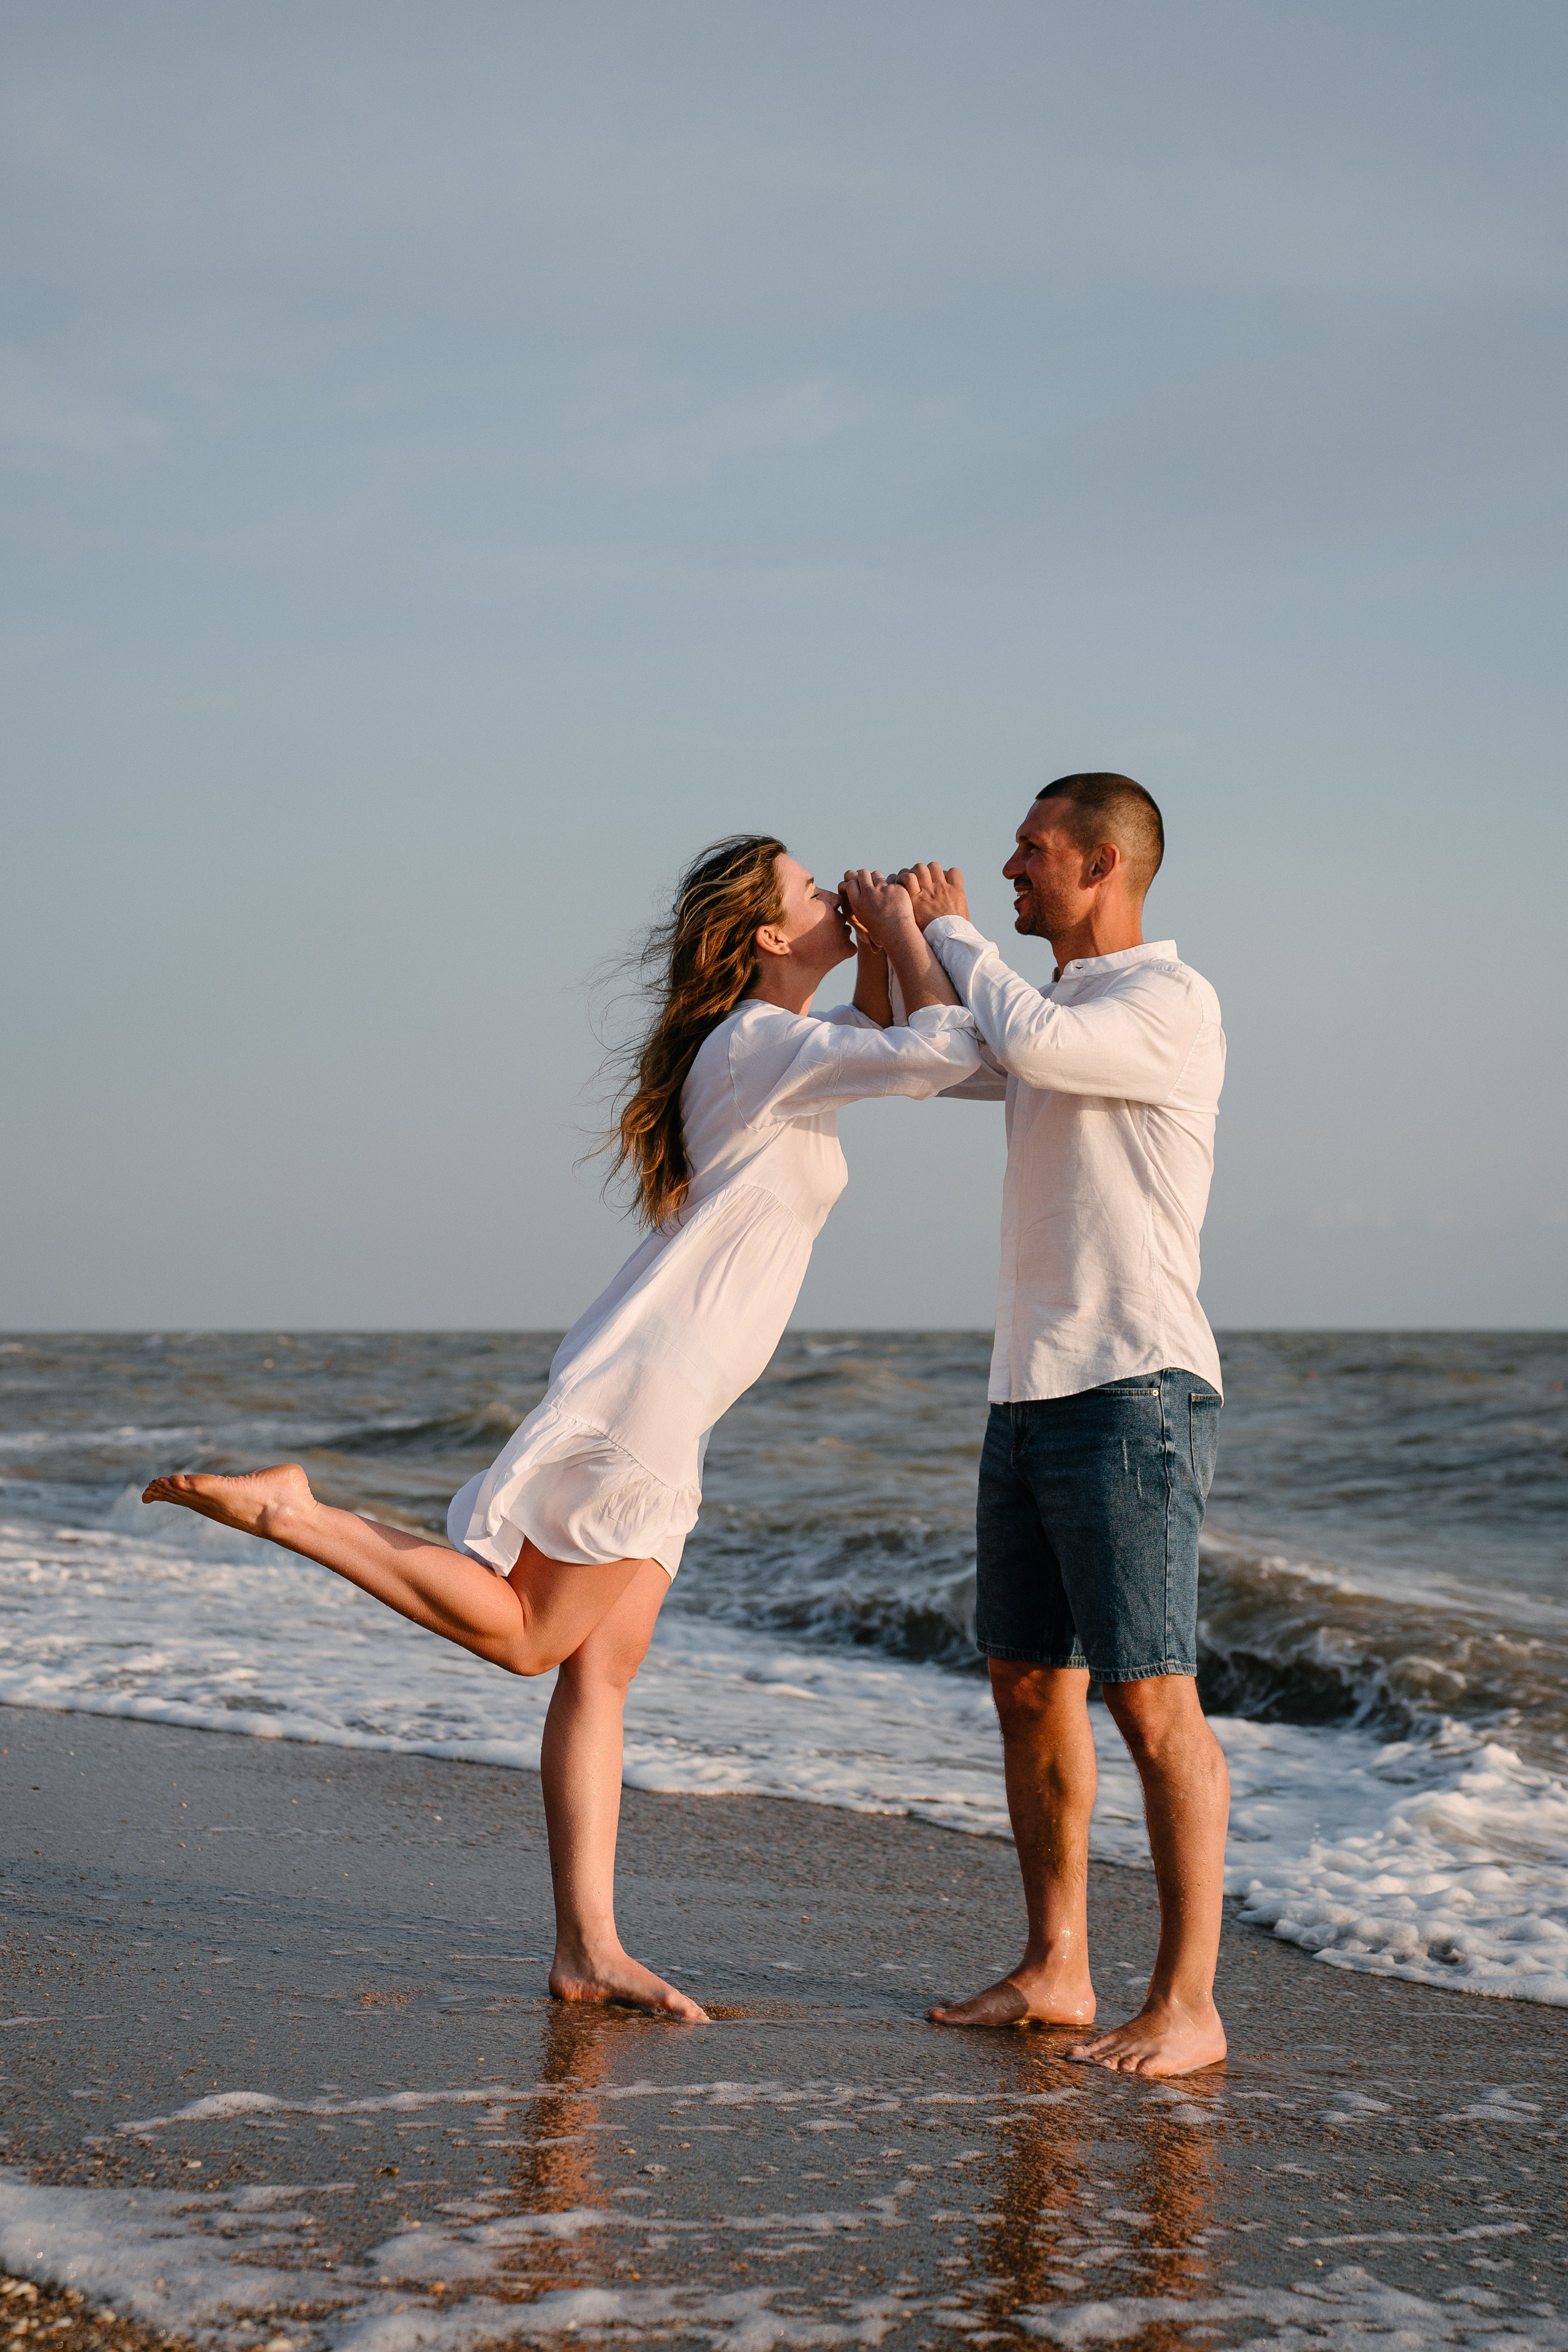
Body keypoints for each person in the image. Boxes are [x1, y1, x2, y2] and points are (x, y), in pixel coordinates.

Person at [143, 835, 980, 2022]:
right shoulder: (757, 1045)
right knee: (535, 1636)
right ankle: (299, 1515)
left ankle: (587, 1949)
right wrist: (910, 925)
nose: (832, 894)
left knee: (600, 1667)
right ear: (762, 933)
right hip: (653, 1385)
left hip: (675, 1395)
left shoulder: (778, 1047)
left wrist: (884, 942)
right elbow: (940, 1050)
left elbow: (886, 1030)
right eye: (810, 890)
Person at [848, 776, 1229, 2077]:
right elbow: (929, 1048)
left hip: (1133, 1389)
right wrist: (898, 934)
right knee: (1026, 1686)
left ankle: (1188, 2005)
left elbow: (1034, 1041)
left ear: (1102, 863)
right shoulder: (1046, 1008)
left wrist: (952, 928)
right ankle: (1057, 1967)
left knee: (1151, 1698)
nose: (1008, 870)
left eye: (1030, 850)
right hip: (1027, 1392)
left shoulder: (1165, 1002)